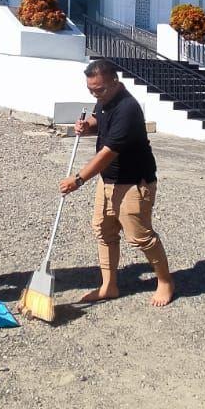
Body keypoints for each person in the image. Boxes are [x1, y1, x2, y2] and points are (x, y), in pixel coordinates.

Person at [58, 59, 175, 307]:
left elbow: (108, 152)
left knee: (140, 236)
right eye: (90, 89)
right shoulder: (105, 99)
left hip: (133, 182)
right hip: (108, 180)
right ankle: (108, 286)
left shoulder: (128, 108)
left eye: (98, 89)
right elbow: (99, 122)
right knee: (104, 230)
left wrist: (78, 179)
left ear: (115, 82)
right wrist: (86, 126)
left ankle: (165, 281)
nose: (94, 93)